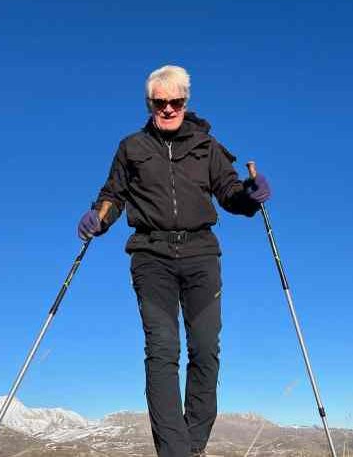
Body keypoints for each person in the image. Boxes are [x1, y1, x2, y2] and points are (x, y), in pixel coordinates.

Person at [77, 65, 271, 457]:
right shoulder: (132, 147)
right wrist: (98, 217)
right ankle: (174, 451)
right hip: (151, 256)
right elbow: (113, 195)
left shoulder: (206, 146)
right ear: (149, 104)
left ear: (186, 101)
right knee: (163, 349)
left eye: (176, 101)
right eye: (160, 102)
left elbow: (229, 192)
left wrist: (250, 196)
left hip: (201, 255)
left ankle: (192, 447)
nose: (168, 108)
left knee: (205, 349)